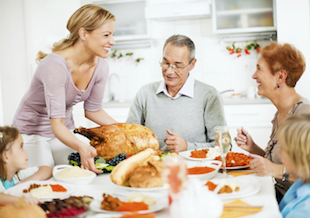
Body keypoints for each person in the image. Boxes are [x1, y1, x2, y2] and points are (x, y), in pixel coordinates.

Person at [12, 4, 117, 173]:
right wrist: (81, 146)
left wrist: (127, 131)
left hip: (63, 131)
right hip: (32, 134)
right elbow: (57, 123)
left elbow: (93, 110)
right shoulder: (55, 65)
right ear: (83, 34)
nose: (112, 41)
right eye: (106, 35)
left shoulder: (101, 66)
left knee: (80, 173)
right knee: (45, 177)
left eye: (112, 34)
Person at [234, 42, 310, 203]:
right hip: (277, 195)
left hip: (296, 205)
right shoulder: (280, 113)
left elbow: (302, 171)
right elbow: (279, 165)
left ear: (280, 77)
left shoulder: (304, 114)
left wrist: (275, 170)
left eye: (259, 69)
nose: (254, 76)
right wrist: (252, 147)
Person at [126, 35, 226, 153]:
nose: (169, 71)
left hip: (196, 168)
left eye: (177, 65)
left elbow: (223, 147)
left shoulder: (209, 95)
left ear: (192, 64)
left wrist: (187, 147)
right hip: (153, 167)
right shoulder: (145, 93)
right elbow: (129, 139)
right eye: (165, 62)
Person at [0, 126, 52, 205]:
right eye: (21, 147)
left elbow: (47, 169)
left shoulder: (18, 175)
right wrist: (21, 200)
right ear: (6, 156)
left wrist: (27, 181)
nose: (26, 152)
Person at [277, 114, 310, 217]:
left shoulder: (303, 210)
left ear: (300, 157)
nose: (279, 152)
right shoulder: (301, 182)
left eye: (283, 148)